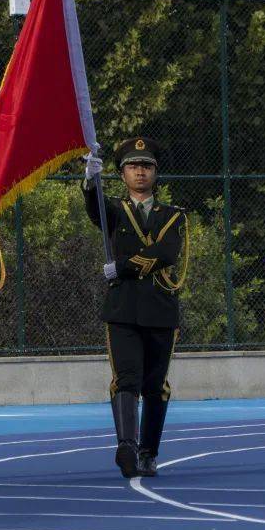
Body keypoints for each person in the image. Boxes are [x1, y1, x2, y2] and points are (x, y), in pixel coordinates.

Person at [83, 137, 190, 478]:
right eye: (132, 166)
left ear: (155, 173)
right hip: (123, 309)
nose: (140, 171)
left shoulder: (173, 215)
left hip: (160, 309)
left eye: (146, 166)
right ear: (122, 173)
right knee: (125, 379)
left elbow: (166, 253)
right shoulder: (114, 211)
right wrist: (90, 181)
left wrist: (122, 267)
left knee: (155, 385)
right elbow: (95, 209)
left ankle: (148, 452)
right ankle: (127, 446)